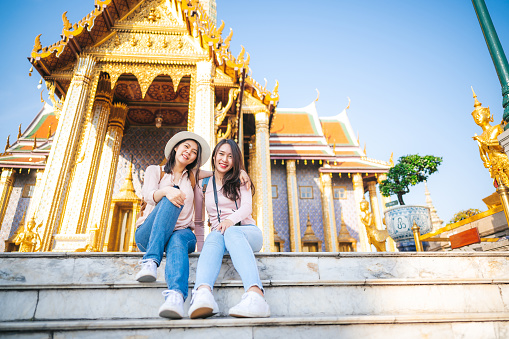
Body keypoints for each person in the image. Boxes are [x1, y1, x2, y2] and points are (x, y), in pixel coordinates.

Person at [188, 139, 270, 319]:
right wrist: (204, 251)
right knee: (215, 235)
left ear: (236, 160)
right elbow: (200, 222)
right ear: (215, 155)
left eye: (230, 156)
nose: (225, 159)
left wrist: (229, 221)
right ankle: (203, 294)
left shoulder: (240, 179)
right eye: (221, 154)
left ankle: (256, 296)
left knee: (229, 230)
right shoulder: (203, 184)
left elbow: (247, 207)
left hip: (247, 232)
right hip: (221, 236)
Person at [134, 131, 211, 319]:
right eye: (186, 146)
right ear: (176, 147)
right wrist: (167, 190)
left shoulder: (193, 176)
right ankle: (151, 261)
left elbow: (220, 170)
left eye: (194, 152)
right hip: (149, 235)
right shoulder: (155, 170)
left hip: (182, 234)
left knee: (177, 239)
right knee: (172, 196)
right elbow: (147, 196)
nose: (189, 152)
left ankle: (175, 297)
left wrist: (240, 171)